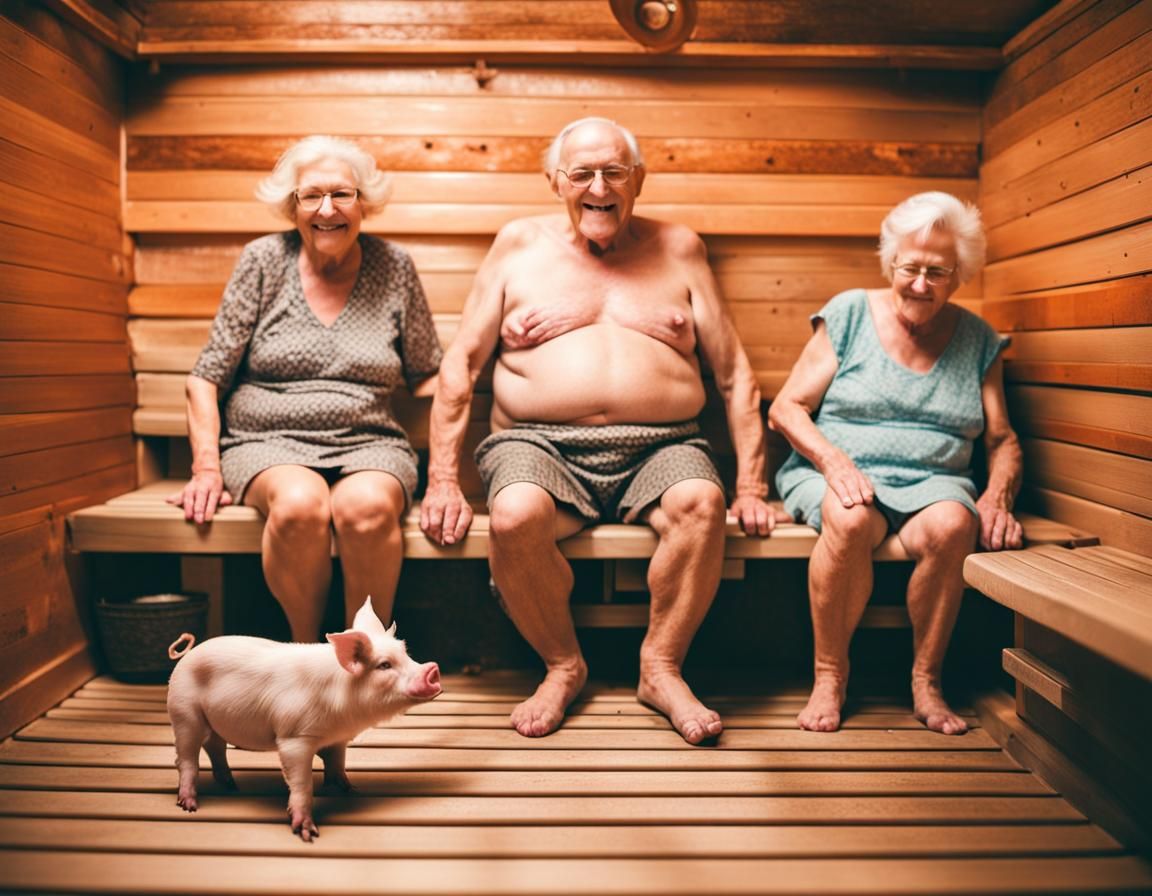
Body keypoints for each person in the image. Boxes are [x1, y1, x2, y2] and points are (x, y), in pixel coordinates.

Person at [420, 116, 781, 744]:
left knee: (704, 502)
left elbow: (734, 375)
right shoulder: (518, 247)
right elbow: (462, 366)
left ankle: (660, 666)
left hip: (663, 446)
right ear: (554, 180)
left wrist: (752, 483)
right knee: (511, 516)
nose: (597, 186)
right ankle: (562, 664)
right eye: (581, 172)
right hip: (538, 444)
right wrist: (443, 480)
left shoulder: (681, 248)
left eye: (614, 171)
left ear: (637, 179)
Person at [168, 135, 442, 642]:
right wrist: (205, 469)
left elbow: (429, 372)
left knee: (368, 508)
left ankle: (363, 656)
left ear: (364, 202)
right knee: (299, 504)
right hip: (267, 443)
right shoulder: (262, 262)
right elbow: (206, 377)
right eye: (311, 195)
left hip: (369, 441)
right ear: (291, 204)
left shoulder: (394, 266)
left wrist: (450, 466)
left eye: (342, 194)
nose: (327, 210)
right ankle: (306, 652)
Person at [768, 191, 1023, 735]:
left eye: (937, 272)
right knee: (852, 516)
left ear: (960, 276)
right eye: (909, 268)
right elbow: (786, 408)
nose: (920, 284)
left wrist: (996, 495)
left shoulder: (978, 339)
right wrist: (834, 463)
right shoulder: (849, 314)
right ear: (891, 263)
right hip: (833, 471)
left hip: (935, 482)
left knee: (957, 523)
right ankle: (829, 676)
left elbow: (1002, 439)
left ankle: (927, 681)